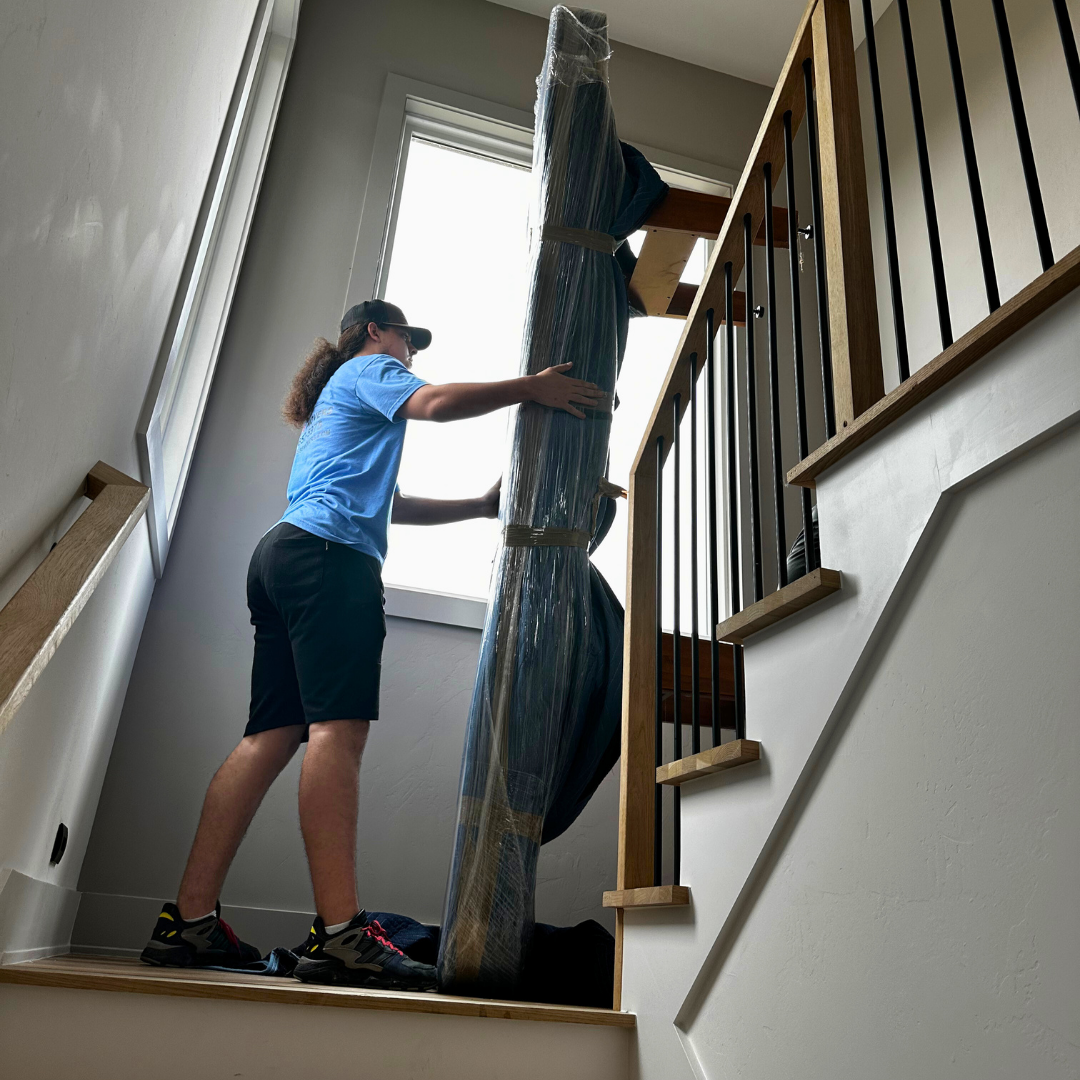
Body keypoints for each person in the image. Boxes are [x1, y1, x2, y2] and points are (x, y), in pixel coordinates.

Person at [140, 299, 604, 989]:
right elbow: (439, 403)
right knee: (337, 733)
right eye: (404, 339)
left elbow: (389, 502)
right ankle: (342, 936)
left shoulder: (337, 402)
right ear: (372, 333)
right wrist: (529, 388)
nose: (409, 353)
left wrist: (478, 507)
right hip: (331, 561)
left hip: (283, 556)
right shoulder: (370, 368)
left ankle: (189, 922)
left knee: (270, 735)